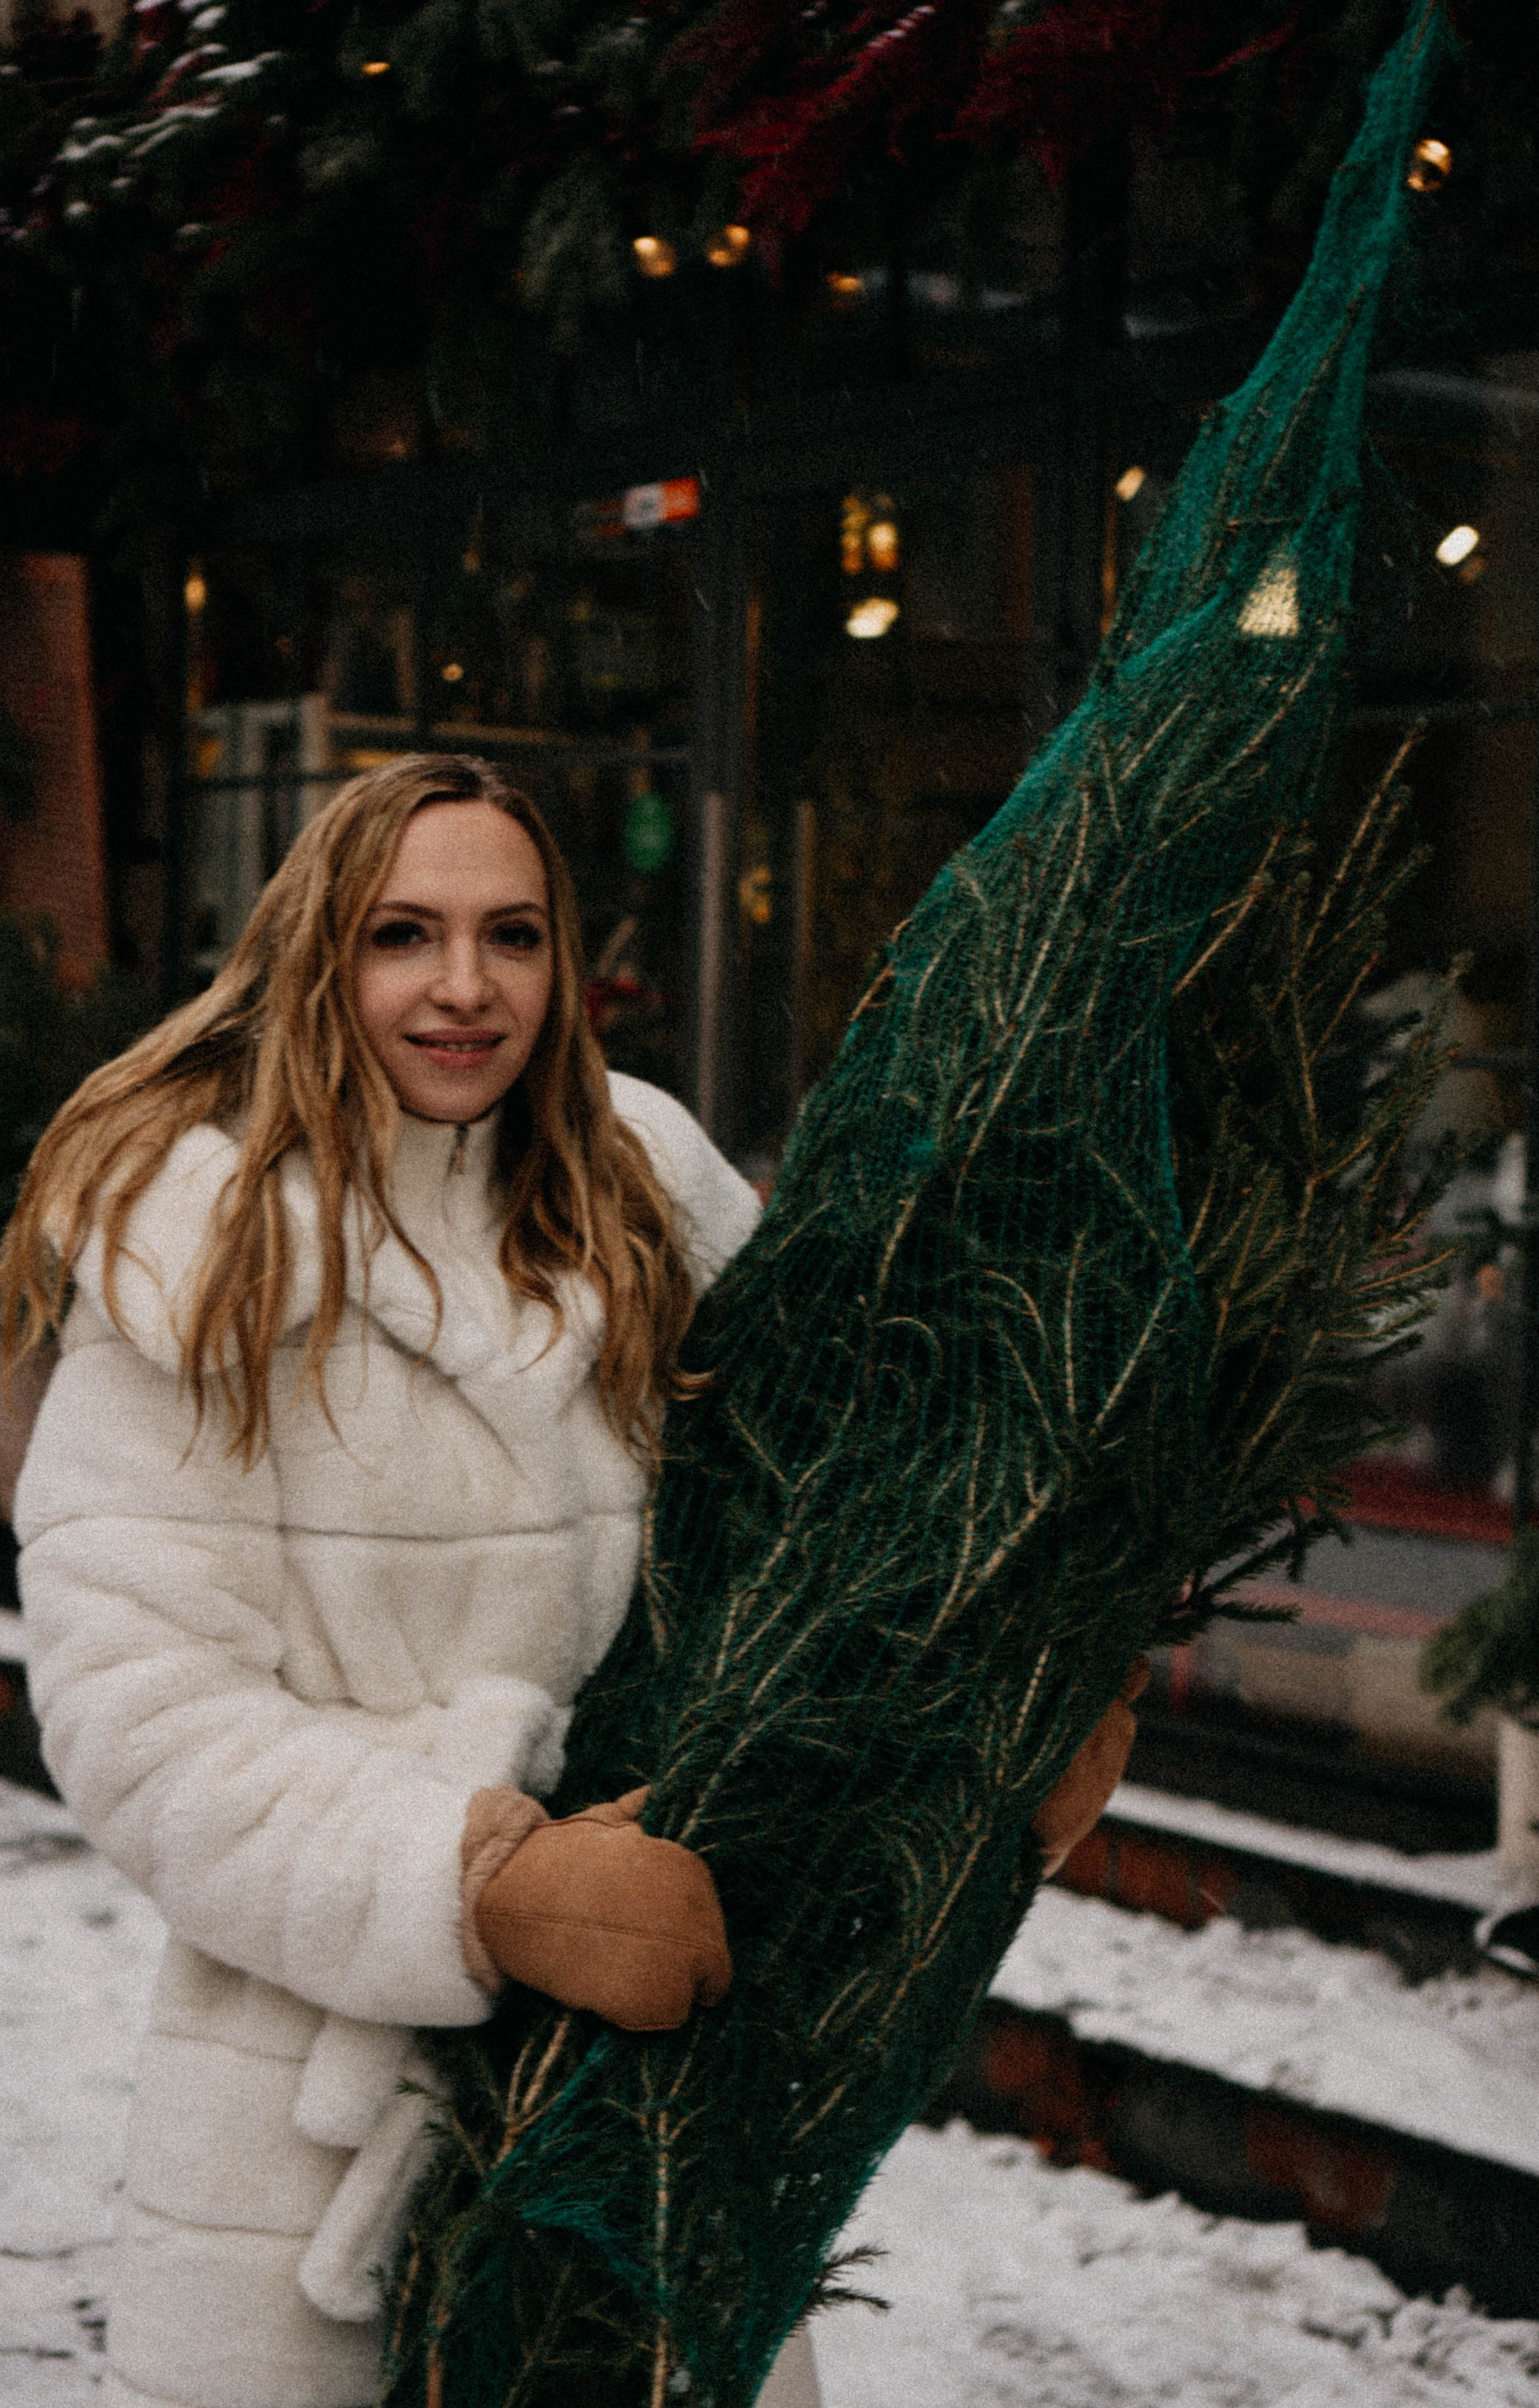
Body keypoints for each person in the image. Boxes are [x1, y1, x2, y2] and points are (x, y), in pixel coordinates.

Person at [1, 752, 1141, 2408]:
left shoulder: (644, 1200)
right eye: (406, 935)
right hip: (314, 2142)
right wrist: (476, 1883)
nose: (465, 989)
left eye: (511, 935)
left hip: (662, 2104)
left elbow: (791, 1559)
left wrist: (977, 1737)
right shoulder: (204, 1249)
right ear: (323, 950)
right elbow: (137, 1719)